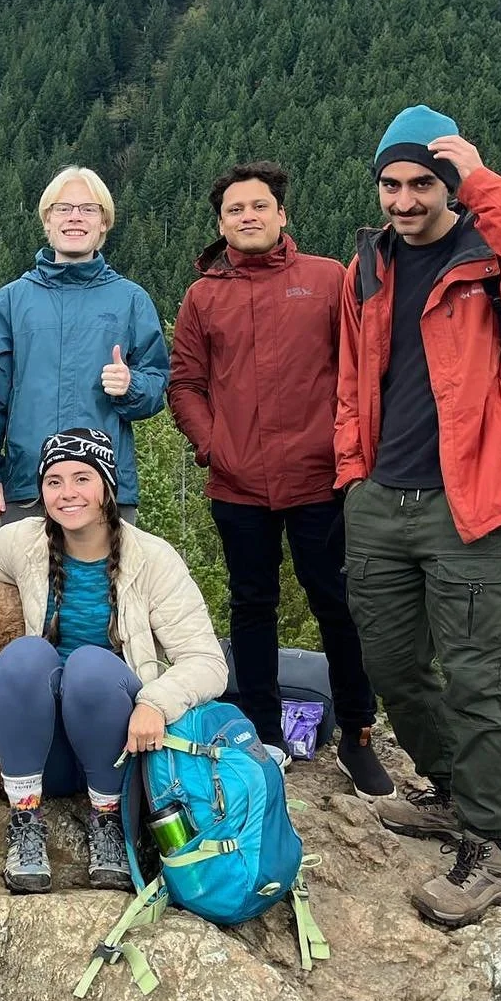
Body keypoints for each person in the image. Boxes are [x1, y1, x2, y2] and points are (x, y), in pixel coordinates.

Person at [337, 107, 501, 927]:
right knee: (393, 664)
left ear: (449, 186)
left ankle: (488, 847)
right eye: (392, 184)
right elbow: (352, 378)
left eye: (421, 184)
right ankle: (448, 792)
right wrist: (352, 477)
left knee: (477, 679)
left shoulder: (488, 265)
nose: (405, 201)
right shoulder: (367, 266)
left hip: (467, 502)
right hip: (381, 500)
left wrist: (482, 181)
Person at [168, 161, 391, 796]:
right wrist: (214, 445)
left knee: (338, 605)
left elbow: (357, 369)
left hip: (321, 478)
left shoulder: (325, 280)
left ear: (281, 214)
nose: (248, 216)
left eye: (259, 206)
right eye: (236, 209)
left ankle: (357, 733)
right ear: (222, 223)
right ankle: (262, 732)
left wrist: (346, 451)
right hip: (238, 484)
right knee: (251, 606)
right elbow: (185, 383)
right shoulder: (203, 296)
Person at [0, 429, 227, 892]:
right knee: (24, 656)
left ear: (107, 485)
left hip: (118, 748)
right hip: (45, 753)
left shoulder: (153, 558)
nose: (67, 494)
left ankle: (108, 823)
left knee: (89, 666)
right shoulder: (24, 541)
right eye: (54, 481)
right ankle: (25, 821)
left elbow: (207, 662)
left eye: (81, 478)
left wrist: (157, 702)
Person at [0, 166, 168, 527]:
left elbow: (158, 385)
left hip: (106, 487)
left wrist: (132, 386)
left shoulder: (131, 300)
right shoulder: (12, 301)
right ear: (47, 221)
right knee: (23, 586)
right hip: (27, 486)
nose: (75, 217)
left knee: (104, 585)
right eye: (63, 208)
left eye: (88, 209)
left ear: (104, 223)